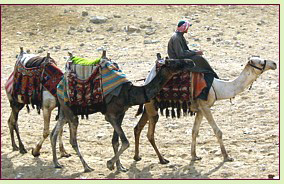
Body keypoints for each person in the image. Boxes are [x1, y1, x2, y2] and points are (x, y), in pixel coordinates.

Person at [167, 20, 219, 106]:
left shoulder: (179, 36)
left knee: (199, 58)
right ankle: (211, 76)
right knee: (199, 60)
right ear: (184, 28)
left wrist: (194, 52)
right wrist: (195, 53)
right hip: (177, 61)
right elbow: (180, 54)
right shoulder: (176, 38)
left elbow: (184, 51)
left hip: (180, 58)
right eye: (187, 27)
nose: (188, 29)